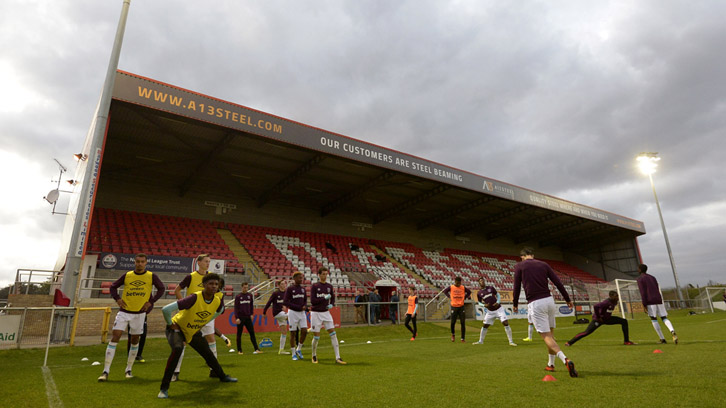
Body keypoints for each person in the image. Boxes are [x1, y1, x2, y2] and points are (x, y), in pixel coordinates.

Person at [158, 273, 237, 399]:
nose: (214, 286)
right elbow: (166, 309)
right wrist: (170, 324)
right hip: (177, 328)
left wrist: (203, 322)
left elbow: (220, 311)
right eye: (211, 284)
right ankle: (164, 389)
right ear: (204, 285)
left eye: (216, 284)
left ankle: (223, 377)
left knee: (208, 353)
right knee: (177, 349)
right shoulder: (194, 298)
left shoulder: (217, 301)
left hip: (193, 331)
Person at [98, 253, 165, 381]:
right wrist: (117, 299)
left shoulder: (151, 276)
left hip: (139, 314)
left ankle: (128, 369)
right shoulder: (127, 275)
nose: (140, 264)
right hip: (124, 312)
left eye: (142, 262)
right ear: (134, 262)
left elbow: (161, 289)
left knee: (135, 340)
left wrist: (151, 301)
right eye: (138, 261)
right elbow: (113, 287)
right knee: (115, 336)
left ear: (146, 263)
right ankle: (105, 371)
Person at [513, 247, 578, 377]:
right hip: (549, 301)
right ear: (532, 255)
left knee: (546, 337)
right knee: (551, 335)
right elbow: (558, 282)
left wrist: (515, 303)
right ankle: (551, 364)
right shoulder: (544, 264)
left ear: (522, 256)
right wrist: (567, 299)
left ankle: (565, 359)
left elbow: (517, 286)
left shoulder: (519, 266)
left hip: (536, 303)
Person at [170, 254, 230, 381]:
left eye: (209, 261)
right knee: (183, 342)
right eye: (206, 261)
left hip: (207, 314)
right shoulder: (191, 277)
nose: (208, 263)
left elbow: (219, 295)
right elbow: (177, 290)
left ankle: (214, 370)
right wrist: (184, 305)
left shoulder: (212, 278)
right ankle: (176, 372)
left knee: (211, 340)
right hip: (191, 315)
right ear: (199, 263)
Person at [565, 291, 636, 346]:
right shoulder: (606, 302)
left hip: (607, 319)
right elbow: (596, 306)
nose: (617, 297)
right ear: (610, 296)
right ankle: (569, 342)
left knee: (624, 321)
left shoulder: (614, 302)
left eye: (617, 296)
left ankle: (626, 341)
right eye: (615, 296)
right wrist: (599, 317)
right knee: (586, 332)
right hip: (598, 320)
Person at [309, 267, 346, 365]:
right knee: (316, 337)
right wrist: (324, 298)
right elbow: (313, 301)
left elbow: (333, 297)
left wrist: (332, 304)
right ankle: (314, 355)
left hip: (325, 312)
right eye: (323, 274)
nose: (325, 276)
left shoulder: (329, 286)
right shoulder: (315, 286)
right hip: (316, 313)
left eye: (326, 274)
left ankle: (338, 357)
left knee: (333, 334)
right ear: (319, 275)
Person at [637, 264, 678, 344]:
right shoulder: (653, 277)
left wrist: (644, 304)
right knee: (664, 317)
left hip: (650, 301)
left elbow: (643, 292)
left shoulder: (640, 279)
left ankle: (662, 339)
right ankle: (672, 331)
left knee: (653, 318)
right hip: (659, 300)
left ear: (640, 270)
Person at [472, 277, 517, 346]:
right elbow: (479, 302)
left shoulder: (490, 288)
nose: (482, 282)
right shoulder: (479, 293)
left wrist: (498, 302)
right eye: (480, 281)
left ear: (484, 281)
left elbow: (498, 295)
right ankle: (480, 341)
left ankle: (511, 341)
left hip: (499, 309)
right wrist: (484, 305)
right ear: (479, 283)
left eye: (483, 281)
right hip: (490, 312)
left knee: (505, 323)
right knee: (485, 325)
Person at [284, 271, 308, 360]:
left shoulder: (303, 289)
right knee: (293, 333)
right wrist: (298, 307)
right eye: (299, 278)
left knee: (304, 331)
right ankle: (293, 353)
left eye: (301, 278)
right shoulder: (290, 289)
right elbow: (286, 302)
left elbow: (305, 299)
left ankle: (299, 349)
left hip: (302, 313)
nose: (301, 279)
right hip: (293, 312)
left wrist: (305, 306)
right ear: (294, 279)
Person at [263, 279, 291, 354]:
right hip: (277, 313)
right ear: (278, 286)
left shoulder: (286, 293)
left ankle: (281, 350)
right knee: (292, 316)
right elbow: (269, 302)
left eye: (284, 283)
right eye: (281, 284)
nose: (283, 285)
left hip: (283, 313)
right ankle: (305, 329)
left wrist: (286, 306)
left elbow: (289, 302)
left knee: (284, 332)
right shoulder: (275, 293)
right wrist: (264, 311)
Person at [234, 282, 262, 354]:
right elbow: (236, 308)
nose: (246, 289)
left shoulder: (250, 296)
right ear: (242, 287)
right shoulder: (238, 296)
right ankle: (239, 350)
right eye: (244, 287)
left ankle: (256, 349)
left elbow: (251, 306)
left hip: (248, 317)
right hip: (240, 317)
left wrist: (252, 314)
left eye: (247, 287)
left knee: (252, 333)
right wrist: (237, 318)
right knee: (239, 334)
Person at [443, 276, 471, 342]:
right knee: (453, 322)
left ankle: (462, 338)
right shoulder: (451, 287)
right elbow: (445, 291)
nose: (458, 284)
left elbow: (469, 292)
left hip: (461, 307)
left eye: (459, 283)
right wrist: (449, 296)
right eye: (457, 283)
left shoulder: (463, 287)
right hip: (454, 306)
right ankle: (453, 334)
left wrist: (465, 297)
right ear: (455, 282)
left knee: (462, 323)